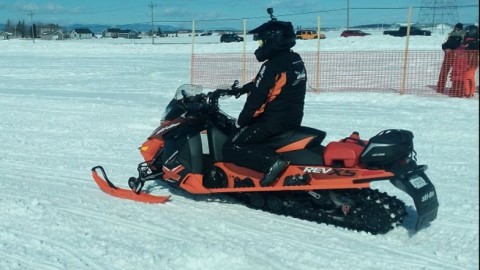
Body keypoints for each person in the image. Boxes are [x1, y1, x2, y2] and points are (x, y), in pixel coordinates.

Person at [222, 14, 307, 187]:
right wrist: (243, 89)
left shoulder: (271, 66)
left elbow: (257, 101)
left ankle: (272, 163)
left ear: (273, 40)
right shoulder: (294, 59)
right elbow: (271, 85)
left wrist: (242, 121)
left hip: (273, 121)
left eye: (261, 42)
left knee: (232, 145)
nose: (260, 45)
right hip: (292, 117)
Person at [437, 23, 464, 93]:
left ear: (461, 29)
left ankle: (455, 88)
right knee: (443, 72)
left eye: (458, 28)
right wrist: (445, 49)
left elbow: (462, 46)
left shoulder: (463, 36)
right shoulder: (450, 35)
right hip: (448, 56)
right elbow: (444, 44)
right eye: (456, 28)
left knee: (456, 74)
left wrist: (455, 50)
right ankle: (440, 88)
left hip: (457, 57)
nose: (456, 29)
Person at [462, 25, 479, 97]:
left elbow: (472, 52)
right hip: (470, 61)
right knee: (470, 76)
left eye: (468, 31)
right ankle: (470, 92)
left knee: (466, 76)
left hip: (472, 62)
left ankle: (468, 92)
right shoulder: (470, 41)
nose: (467, 32)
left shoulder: (473, 42)